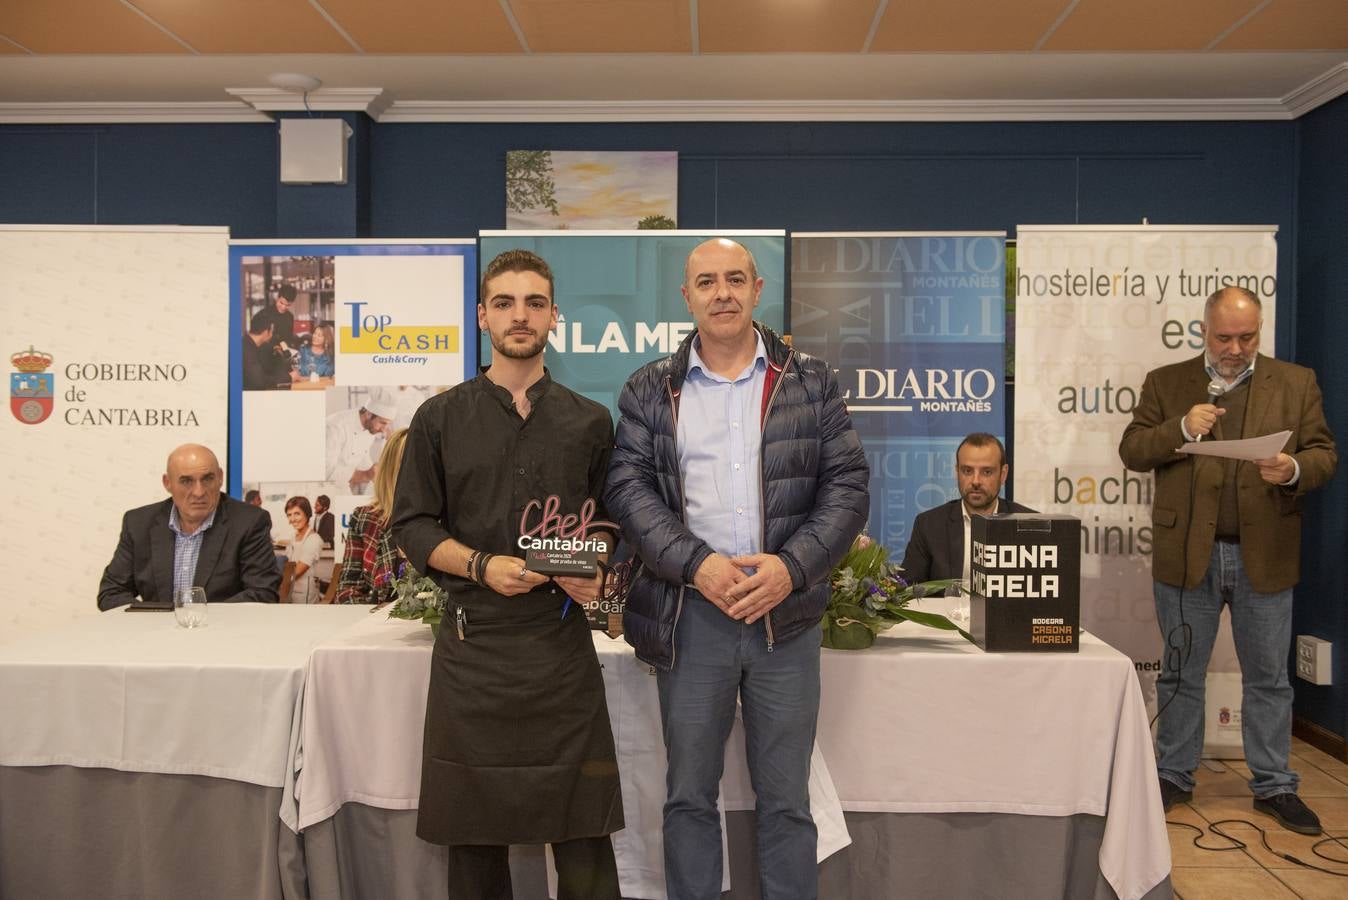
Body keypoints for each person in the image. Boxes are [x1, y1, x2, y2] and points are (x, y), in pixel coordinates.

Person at [605, 238, 870, 899]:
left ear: (757, 290)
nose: (721, 292)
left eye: (734, 280)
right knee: (688, 797)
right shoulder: (648, 388)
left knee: (786, 801)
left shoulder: (812, 381)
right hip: (690, 619)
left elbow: (848, 485)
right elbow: (628, 491)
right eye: (706, 282)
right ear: (686, 297)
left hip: (786, 619)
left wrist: (793, 567)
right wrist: (696, 566)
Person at [391, 249, 623, 899]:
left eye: (534, 302)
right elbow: (411, 525)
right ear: (481, 316)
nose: (519, 315)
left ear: (555, 315)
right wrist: (479, 565)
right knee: (474, 838)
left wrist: (596, 572)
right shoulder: (439, 418)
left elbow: (612, 525)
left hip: (561, 650)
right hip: (473, 649)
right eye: (504, 302)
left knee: (584, 835)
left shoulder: (590, 420)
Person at [1119, 287, 1337, 835]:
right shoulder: (1166, 383)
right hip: (1186, 554)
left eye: (1247, 336)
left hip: (1265, 554)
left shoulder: (1296, 381)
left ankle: (1274, 786)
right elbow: (1133, 449)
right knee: (1180, 674)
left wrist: (1291, 468)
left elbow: (1323, 455)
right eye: (1225, 337)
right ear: (1204, 331)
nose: (1236, 348)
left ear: (1259, 331)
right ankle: (1173, 774)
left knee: (1268, 679)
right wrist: (1182, 430)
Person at [97, 444, 279, 610]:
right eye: (186, 481)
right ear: (167, 483)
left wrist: (195, 617)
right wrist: (158, 620)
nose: (199, 492)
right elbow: (111, 593)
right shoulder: (139, 523)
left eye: (207, 479)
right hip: (156, 638)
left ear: (220, 478)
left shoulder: (249, 521)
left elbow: (262, 593)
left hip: (223, 637)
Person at [899, 432, 1035, 587]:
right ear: (957, 472)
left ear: (1003, 474)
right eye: (967, 471)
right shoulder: (929, 525)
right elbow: (906, 589)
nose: (976, 481)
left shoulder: (1029, 525)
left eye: (987, 472)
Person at [335, 429, 413, 604]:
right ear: (391, 468)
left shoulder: (447, 519)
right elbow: (348, 589)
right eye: (407, 462)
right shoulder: (364, 518)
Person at [325, 389, 397, 491]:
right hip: (324, 488)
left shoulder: (369, 427)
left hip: (342, 487)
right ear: (368, 414)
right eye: (382, 423)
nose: (383, 429)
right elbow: (327, 472)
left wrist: (377, 473)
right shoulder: (335, 426)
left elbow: (362, 457)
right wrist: (365, 475)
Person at [253, 283, 299, 381]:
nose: (283, 307)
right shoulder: (263, 315)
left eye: (288, 305)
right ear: (277, 297)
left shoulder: (289, 317)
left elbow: (287, 340)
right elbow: (255, 341)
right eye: (281, 303)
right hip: (263, 361)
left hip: (281, 362)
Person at [283, 496, 324, 604]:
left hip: (304, 597)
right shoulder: (292, 536)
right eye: (289, 515)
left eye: (297, 514)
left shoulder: (314, 539)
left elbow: (298, 570)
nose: (292, 519)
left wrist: (276, 581)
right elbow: (287, 565)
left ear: (307, 513)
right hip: (288, 592)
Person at [241, 316, 277, 390]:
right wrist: (289, 378)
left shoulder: (247, 343)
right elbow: (258, 381)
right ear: (266, 332)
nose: (271, 335)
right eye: (271, 332)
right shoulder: (247, 349)